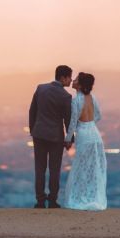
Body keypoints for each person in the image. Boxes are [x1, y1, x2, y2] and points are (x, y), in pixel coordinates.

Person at [28, 65, 73, 208]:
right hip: (56, 138)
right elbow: (68, 120)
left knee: (39, 169)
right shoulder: (66, 96)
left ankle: (40, 201)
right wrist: (69, 139)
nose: (71, 80)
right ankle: (53, 200)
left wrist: (33, 130)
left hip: (39, 134)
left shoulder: (40, 88)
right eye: (69, 77)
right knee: (55, 169)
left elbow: (32, 111)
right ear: (63, 77)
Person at [61, 72, 107, 211]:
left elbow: (73, 123)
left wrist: (68, 140)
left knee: (81, 169)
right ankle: (93, 197)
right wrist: (90, 123)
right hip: (95, 135)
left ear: (80, 85)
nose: (73, 81)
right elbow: (98, 116)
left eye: (76, 80)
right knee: (94, 169)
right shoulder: (92, 98)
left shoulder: (76, 100)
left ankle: (80, 197)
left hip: (84, 136)